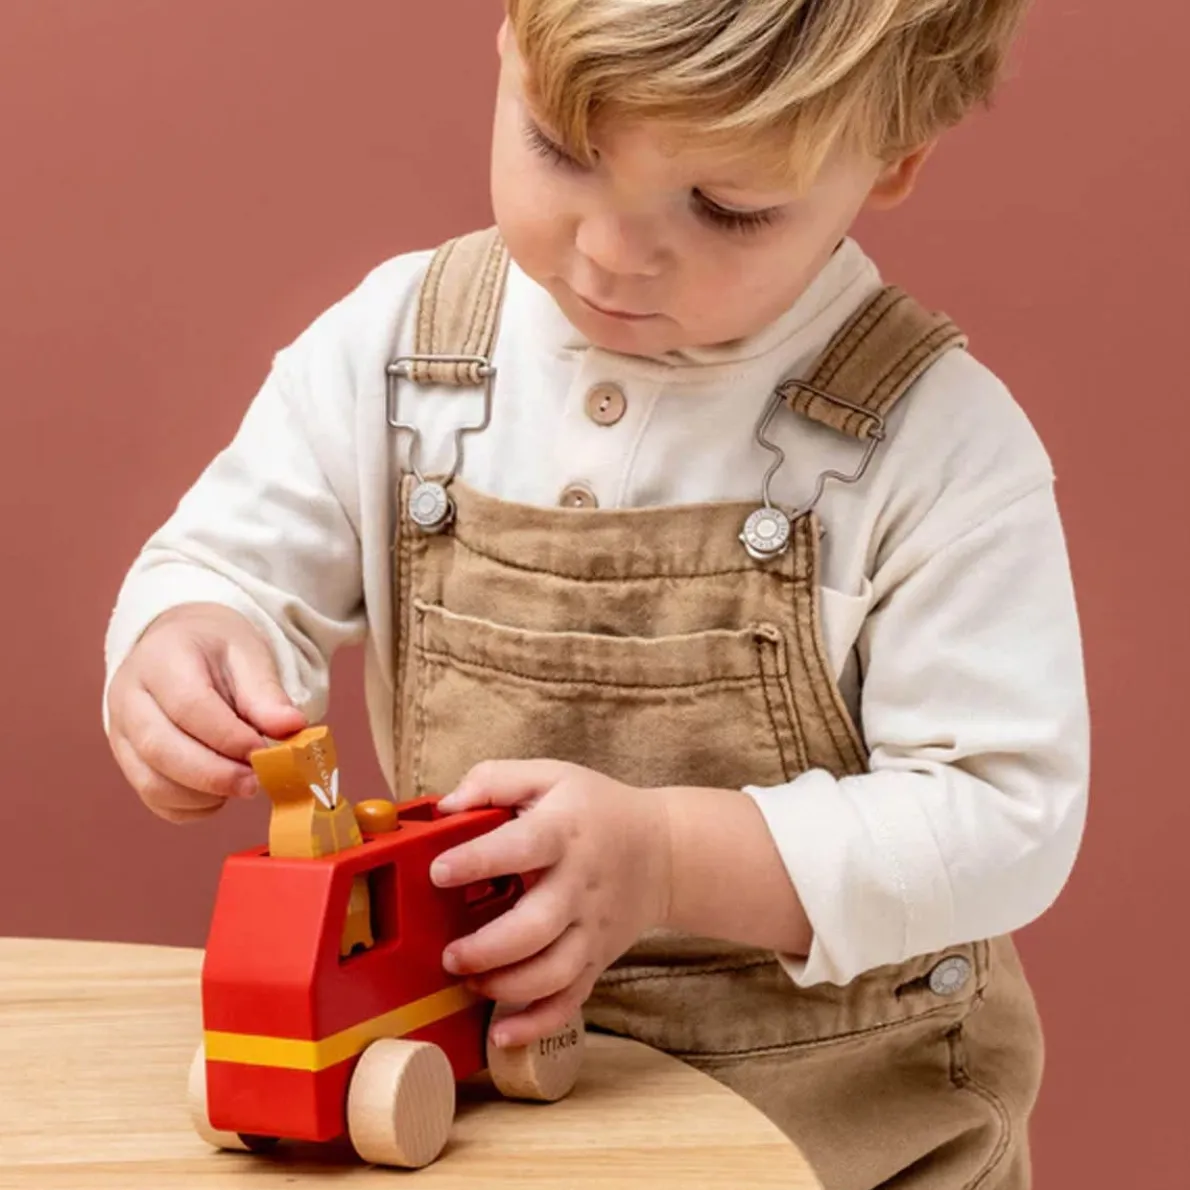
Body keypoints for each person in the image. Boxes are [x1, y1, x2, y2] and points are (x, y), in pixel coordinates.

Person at [103, 3, 1088, 1186]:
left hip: (842, 1130)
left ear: (892, 158)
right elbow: (226, 564)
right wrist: (190, 639)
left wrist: (668, 856)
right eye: (563, 152)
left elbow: (999, 817)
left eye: (726, 207)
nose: (615, 251)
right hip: (493, 1117)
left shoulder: (937, 445)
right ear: (507, 39)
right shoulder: (394, 353)